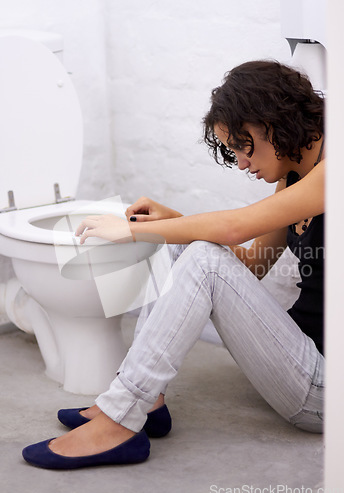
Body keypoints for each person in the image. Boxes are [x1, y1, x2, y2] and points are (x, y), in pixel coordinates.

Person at [22, 60, 325, 469]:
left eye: (241, 144)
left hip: (324, 390)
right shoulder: (292, 176)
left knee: (190, 246)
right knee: (180, 246)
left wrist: (131, 231)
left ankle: (119, 420)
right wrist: (171, 223)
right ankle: (145, 402)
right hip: (299, 352)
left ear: (271, 122)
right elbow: (252, 264)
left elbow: (235, 229)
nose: (240, 162)